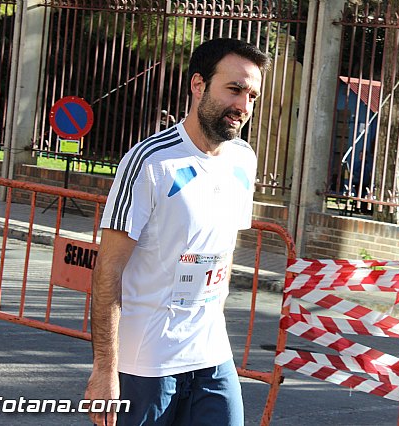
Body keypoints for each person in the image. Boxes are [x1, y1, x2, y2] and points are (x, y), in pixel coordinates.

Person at [84, 38, 270, 426]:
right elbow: (108, 271)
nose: (243, 106)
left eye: (252, 96)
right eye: (234, 89)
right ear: (198, 85)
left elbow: (225, 249)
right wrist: (104, 371)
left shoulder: (244, 159)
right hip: (146, 364)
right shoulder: (151, 161)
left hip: (212, 357)